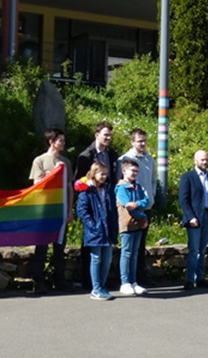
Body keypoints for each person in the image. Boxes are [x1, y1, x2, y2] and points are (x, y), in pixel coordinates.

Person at [76, 121, 118, 292]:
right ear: (97, 135)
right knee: (93, 253)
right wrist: (91, 222)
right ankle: (91, 284)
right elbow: (79, 181)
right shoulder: (86, 155)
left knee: (105, 255)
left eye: (110, 135)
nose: (108, 138)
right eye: (105, 135)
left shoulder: (112, 154)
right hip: (92, 203)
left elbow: (113, 177)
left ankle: (101, 283)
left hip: (106, 200)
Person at [29, 128, 71, 294]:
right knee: (42, 248)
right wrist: (54, 173)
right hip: (44, 211)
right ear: (51, 142)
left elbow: (69, 187)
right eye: (60, 140)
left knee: (60, 247)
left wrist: (69, 210)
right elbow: (37, 185)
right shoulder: (39, 161)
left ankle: (59, 279)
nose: (63, 143)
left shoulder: (66, 162)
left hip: (60, 211)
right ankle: (38, 281)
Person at [118, 128, 159, 287]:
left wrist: (152, 196)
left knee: (141, 244)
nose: (142, 144)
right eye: (139, 141)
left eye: (144, 141)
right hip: (131, 208)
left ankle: (139, 276)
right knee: (130, 246)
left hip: (146, 205)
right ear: (132, 142)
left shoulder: (150, 160)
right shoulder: (125, 159)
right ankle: (127, 279)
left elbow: (153, 180)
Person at [178, 150, 208, 289]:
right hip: (195, 217)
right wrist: (191, 217)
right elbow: (183, 200)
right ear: (195, 161)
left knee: (202, 250)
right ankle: (190, 280)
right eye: (202, 160)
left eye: (206, 160)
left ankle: (200, 278)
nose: (205, 162)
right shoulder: (188, 177)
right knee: (194, 250)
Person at [114, 160, 150, 296]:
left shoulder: (137, 186)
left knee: (134, 254)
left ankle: (133, 281)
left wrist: (136, 204)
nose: (135, 173)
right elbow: (127, 206)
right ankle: (125, 282)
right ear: (124, 171)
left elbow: (146, 201)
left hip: (138, 224)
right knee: (127, 253)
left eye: (136, 171)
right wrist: (143, 216)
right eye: (132, 170)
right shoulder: (121, 188)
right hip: (127, 224)